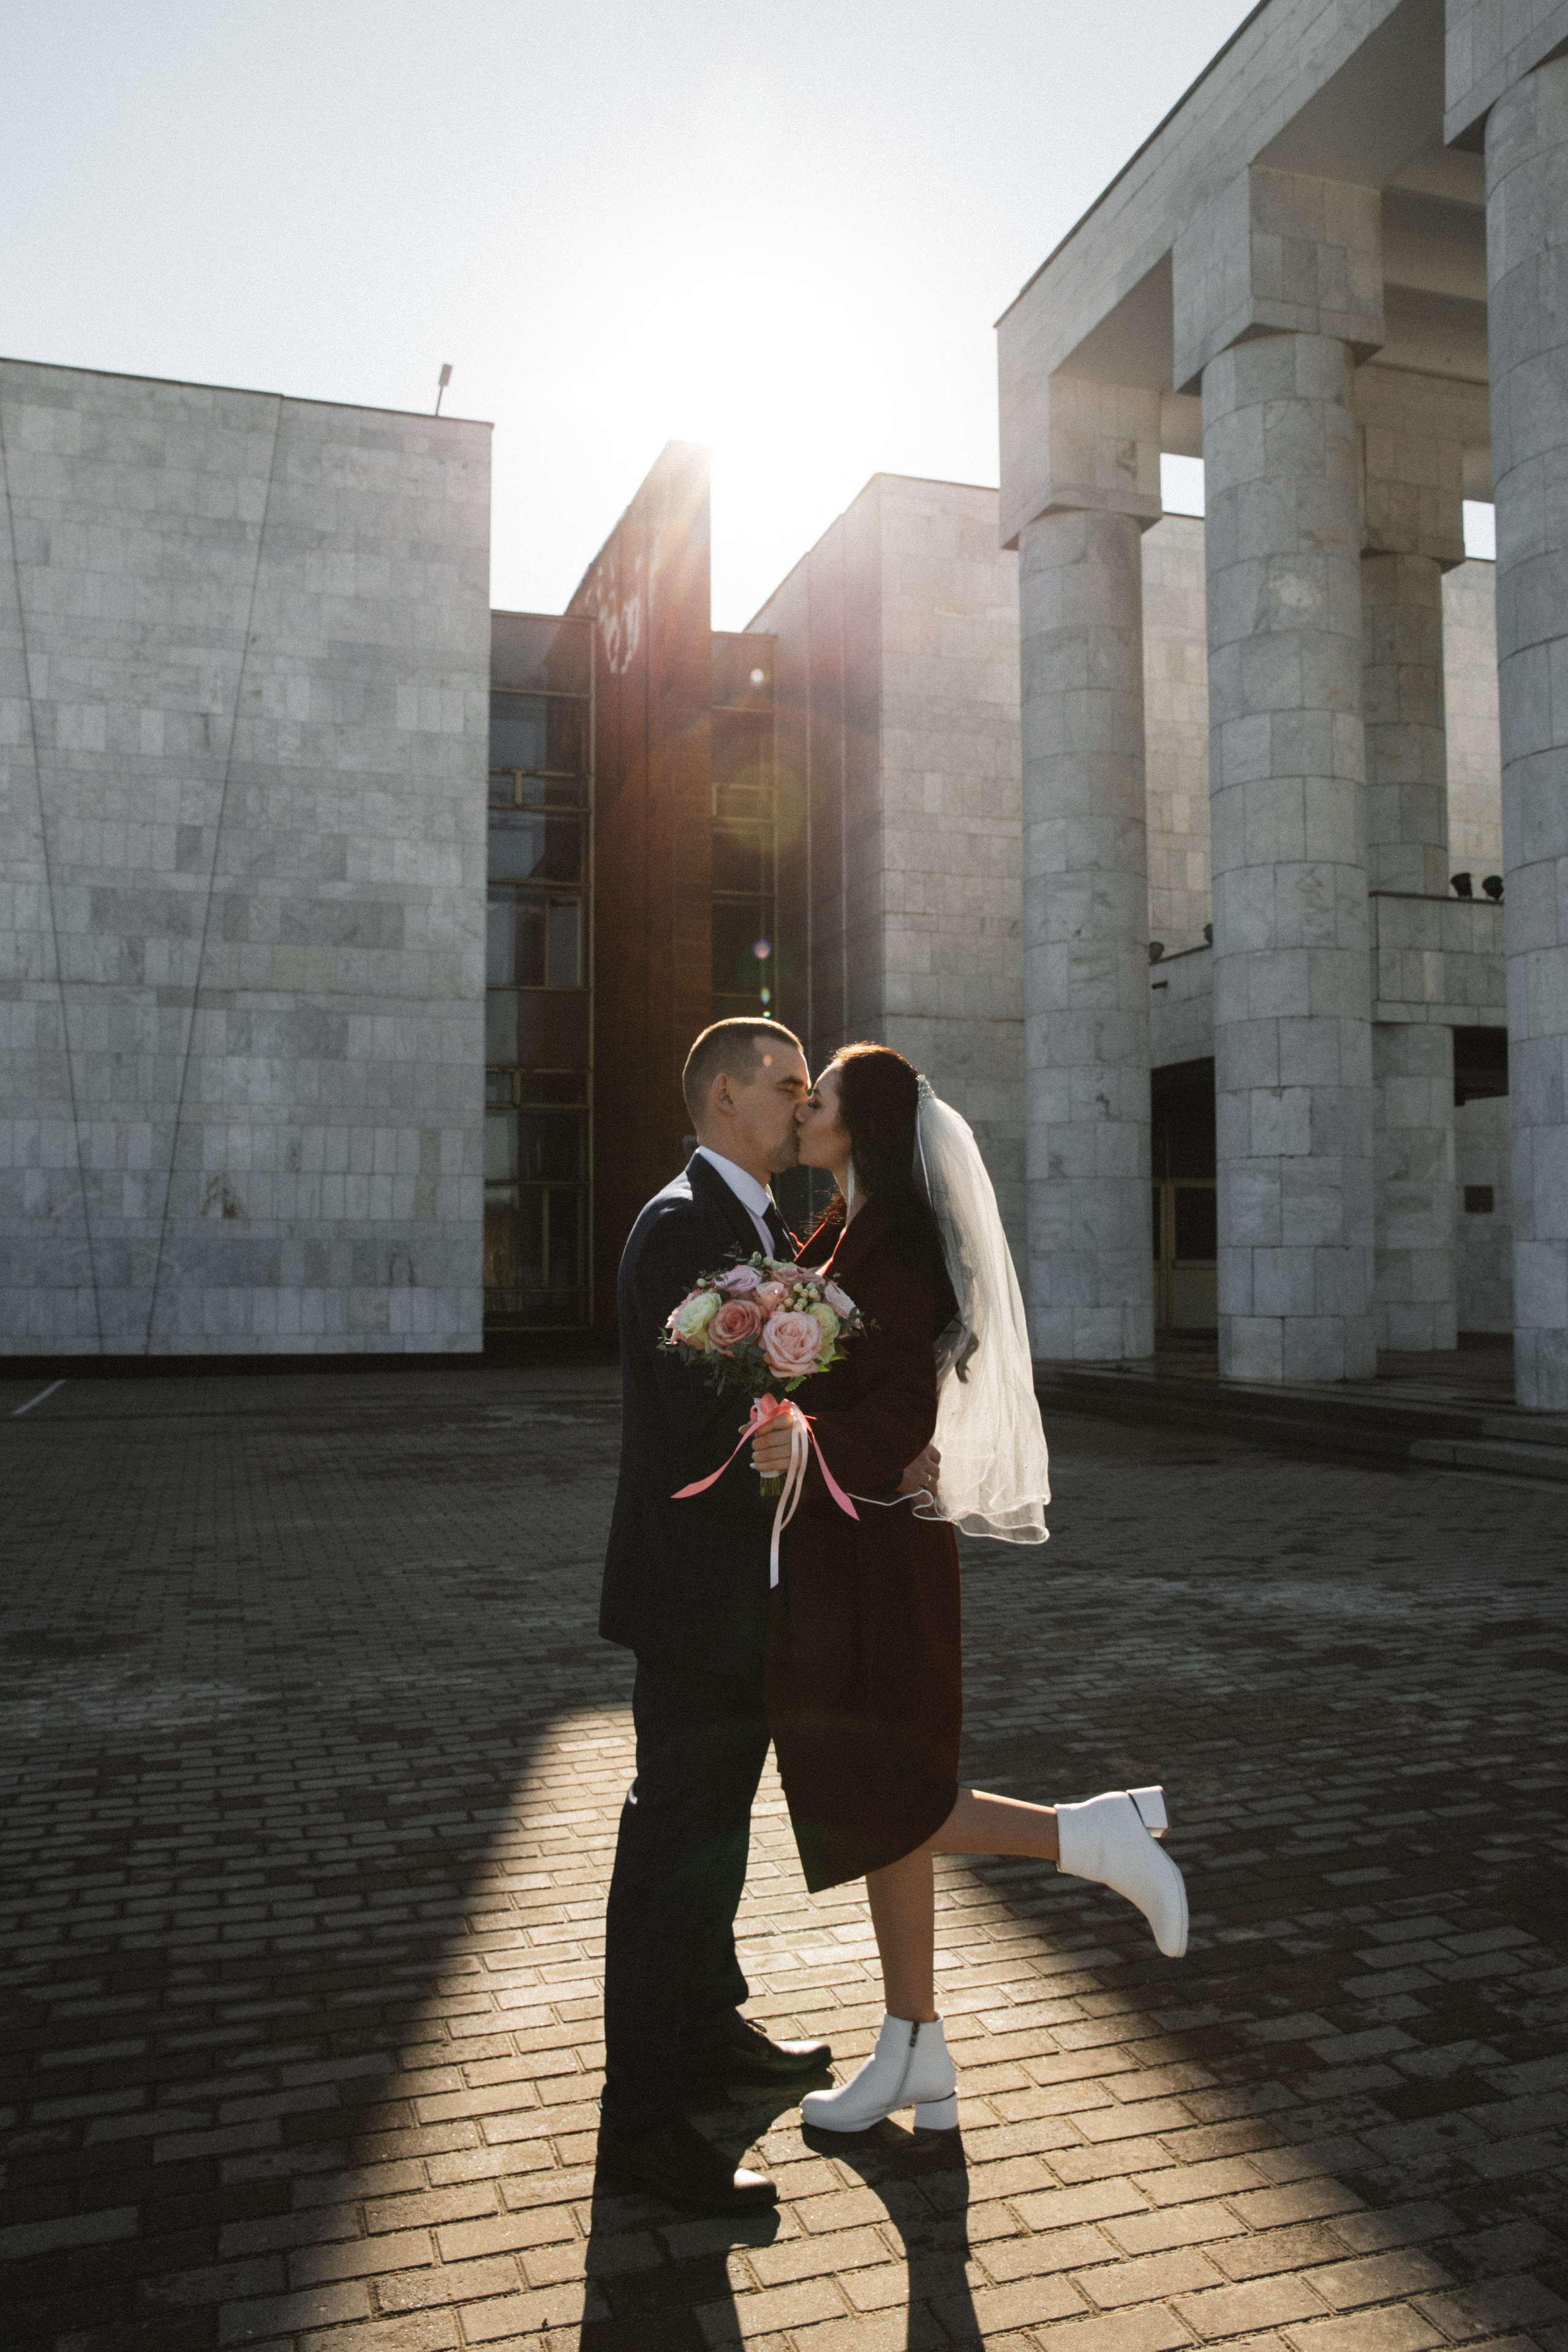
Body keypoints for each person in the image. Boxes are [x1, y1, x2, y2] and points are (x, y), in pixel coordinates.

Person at [754, 1044, 1187, 2133]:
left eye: (825, 1100)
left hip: (882, 1561)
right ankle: (917, 2049)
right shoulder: (848, 1232)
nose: (806, 1110)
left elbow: (899, 1422)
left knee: (886, 1794)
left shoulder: (894, 1249)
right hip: (854, 1551)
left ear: (867, 1126)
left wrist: (798, 1441)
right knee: (884, 1801)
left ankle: (1088, 1840)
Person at [594, 1018, 941, 2214]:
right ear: (729, 1096)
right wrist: (853, 1449)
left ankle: (712, 2032)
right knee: (667, 1862)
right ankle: (642, 2131)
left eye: (811, 1090)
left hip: (742, 1603)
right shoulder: (682, 1223)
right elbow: (711, 1427)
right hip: (695, 1602)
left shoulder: (754, 1224)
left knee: (713, 1850)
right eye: (788, 1086)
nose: (801, 1105)